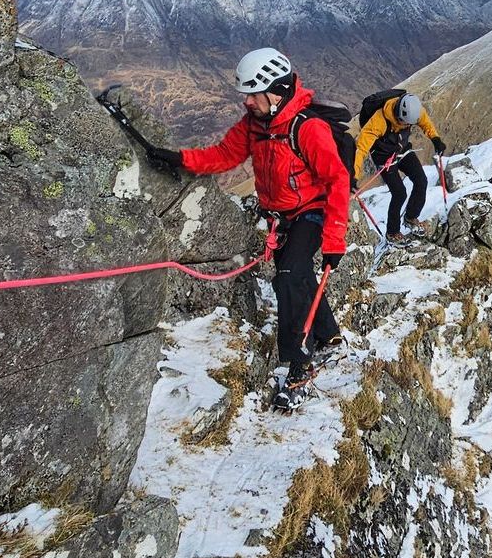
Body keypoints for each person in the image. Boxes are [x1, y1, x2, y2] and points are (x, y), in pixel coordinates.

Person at [146, 48, 350, 408]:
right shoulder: (255, 125)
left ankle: (297, 363)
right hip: (282, 216)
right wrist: (179, 159)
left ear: (278, 91)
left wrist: (334, 238)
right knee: (298, 275)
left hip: (311, 212)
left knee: (288, 277)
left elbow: (336, 180)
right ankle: (330, 335)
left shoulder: (309, 129)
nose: (248, 102)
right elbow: (224, 156)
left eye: (254, 94)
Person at [354, 92, 445, 244]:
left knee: (421, 180)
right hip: (383, 157)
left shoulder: (413, 111)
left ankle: (410, 217)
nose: (408, 126)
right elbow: (361, 148)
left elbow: (425, 122)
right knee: (399, 193)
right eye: (406, 123)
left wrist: (435, 139)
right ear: (398, 115)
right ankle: (392, 233)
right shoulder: (379, 121)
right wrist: (354, 174)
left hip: (401, 149)